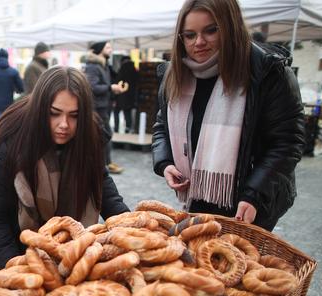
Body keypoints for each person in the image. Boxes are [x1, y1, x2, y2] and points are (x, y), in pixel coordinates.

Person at [151, 0, 304, 231]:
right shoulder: (175, 75)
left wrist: (254, 194)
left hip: (251, 203)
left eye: (211, 30)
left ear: (230, 25)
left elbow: (287, 143)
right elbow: (162, 125)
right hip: (196, 195)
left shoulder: (268, 72)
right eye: (190, 35)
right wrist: (165, 163)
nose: (199, 42)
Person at [0, 66, 129, 269]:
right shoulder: (10, 136)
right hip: (13, 226)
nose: (64, 124)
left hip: (64, 233)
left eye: (74, 115)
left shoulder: (87, 133)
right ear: (41, 108)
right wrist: (11, 268)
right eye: (54, 113)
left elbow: (103, 186)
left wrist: (127, 225)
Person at [84, 41, 125, 174]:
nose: (111, 50)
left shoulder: (104, 65)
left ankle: (105, 163)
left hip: (104, 106)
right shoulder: (93, 66)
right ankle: (103, 165)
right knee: (104, 135)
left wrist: (114, 89)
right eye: (108, 47)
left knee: (104, 135)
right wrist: (110, 88)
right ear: (100, 49)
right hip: (97, 108)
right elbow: (91, 86)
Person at [113, 55, 139, 133]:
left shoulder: (122, 69)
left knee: (116, 111)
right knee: (127, 112)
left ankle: (116, 128)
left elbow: (117, 80)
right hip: (130, 96)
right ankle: (128, 127)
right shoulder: (134, 70)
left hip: (120, 95)